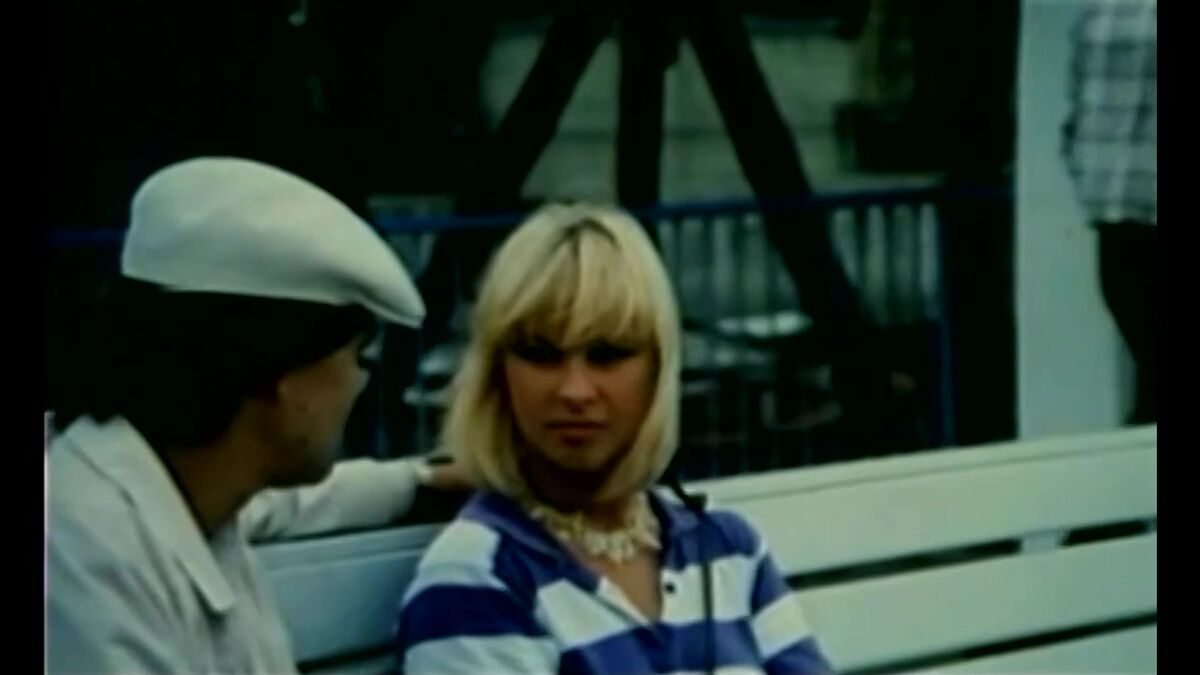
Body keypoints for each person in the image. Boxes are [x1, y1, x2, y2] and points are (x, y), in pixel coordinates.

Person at [47, 157, 469, 674]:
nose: (361, 384)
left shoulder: (180, 490)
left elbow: (293, 506)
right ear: (284, 377)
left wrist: (422, 479)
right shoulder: (81, 559)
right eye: (357, 357)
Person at [394, 203, 833, 674]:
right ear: (497, 372)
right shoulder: (477, 577)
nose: (575, 391)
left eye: (607, 355)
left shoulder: (725, 545)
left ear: (658, 368)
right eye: (541, 354)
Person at [1062, 0, 1157, 424]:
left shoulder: (1097, 14)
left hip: (1113, 206)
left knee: (1146, 350)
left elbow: (1075, 115)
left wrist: (1088, 176)